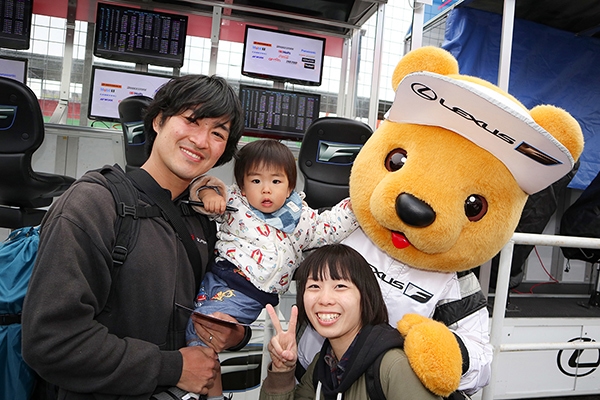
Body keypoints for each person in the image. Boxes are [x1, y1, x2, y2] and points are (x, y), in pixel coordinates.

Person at [21, 74, 250, 400]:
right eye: (191, 120)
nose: (201, 140)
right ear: (158, 120)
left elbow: (217, 301)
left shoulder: (203, 220)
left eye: (217, 133)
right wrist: (172, 367)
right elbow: (51, 341)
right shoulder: (95, 204)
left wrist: (234, 333)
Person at [185, 139, 359, 399]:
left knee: (207, 333)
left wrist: (358, 203)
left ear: (290, 186)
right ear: (243, 186)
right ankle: (213, 395)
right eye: (256, 181)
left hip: (261, 299)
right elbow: (202, 186)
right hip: (228, 284)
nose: (266, 190)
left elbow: (329, 226)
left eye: (276, 182)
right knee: (203, 331)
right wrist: (209, 195)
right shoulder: (234, 204)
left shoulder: (300, 218)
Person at [259, 244, 441, 400]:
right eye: (314, 286)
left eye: (340, 286)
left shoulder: (394, 366)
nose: (325, 299)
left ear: (365, 296)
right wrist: (282, 370)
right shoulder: (324, 363)